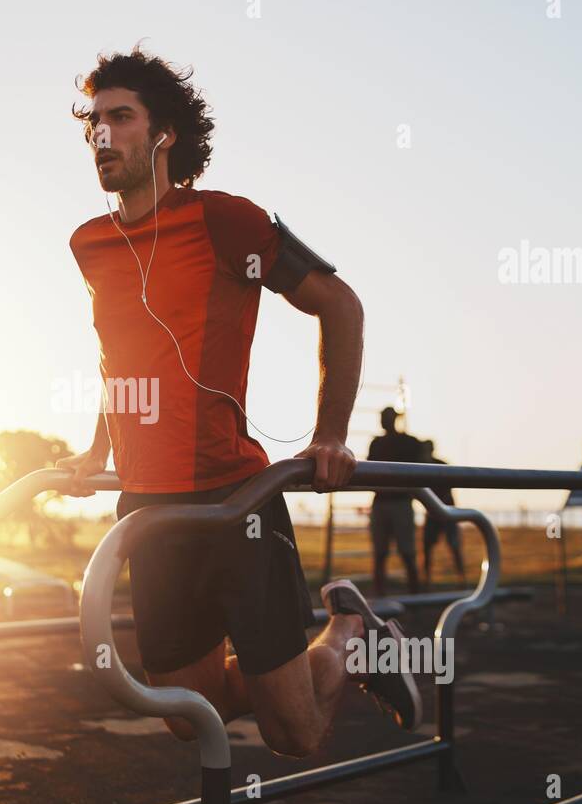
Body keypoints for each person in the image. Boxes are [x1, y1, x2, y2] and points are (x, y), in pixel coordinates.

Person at [54, 46, 421, 756]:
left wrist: (331, 434)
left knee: (296, 731)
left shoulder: (227, 221)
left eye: (120, 117)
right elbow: (121, 359)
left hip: (234, 505)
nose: (101, 134)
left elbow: (341, 306)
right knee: (189, 712)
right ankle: (350, 644)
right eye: (93, 121)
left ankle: (350, 633)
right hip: (150, 513)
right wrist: (98, 448)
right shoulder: (90, 244)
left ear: (163, 135)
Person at [366, 407, 422, 598]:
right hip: (385, 502)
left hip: (398, 502)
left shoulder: (408, 443)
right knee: (381, 553)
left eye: (386, 418)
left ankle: (415, 594)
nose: (384, 421)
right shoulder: (379, 443)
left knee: (406, 552)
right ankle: (382, 595)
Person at [418, 439, 467, 585]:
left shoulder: (437, 466)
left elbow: (448, 488)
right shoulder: (425, 467)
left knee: (453, 545)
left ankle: (461, 578)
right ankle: (427, 579)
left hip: (445, 511)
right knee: (428, 546)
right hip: (435, 512)